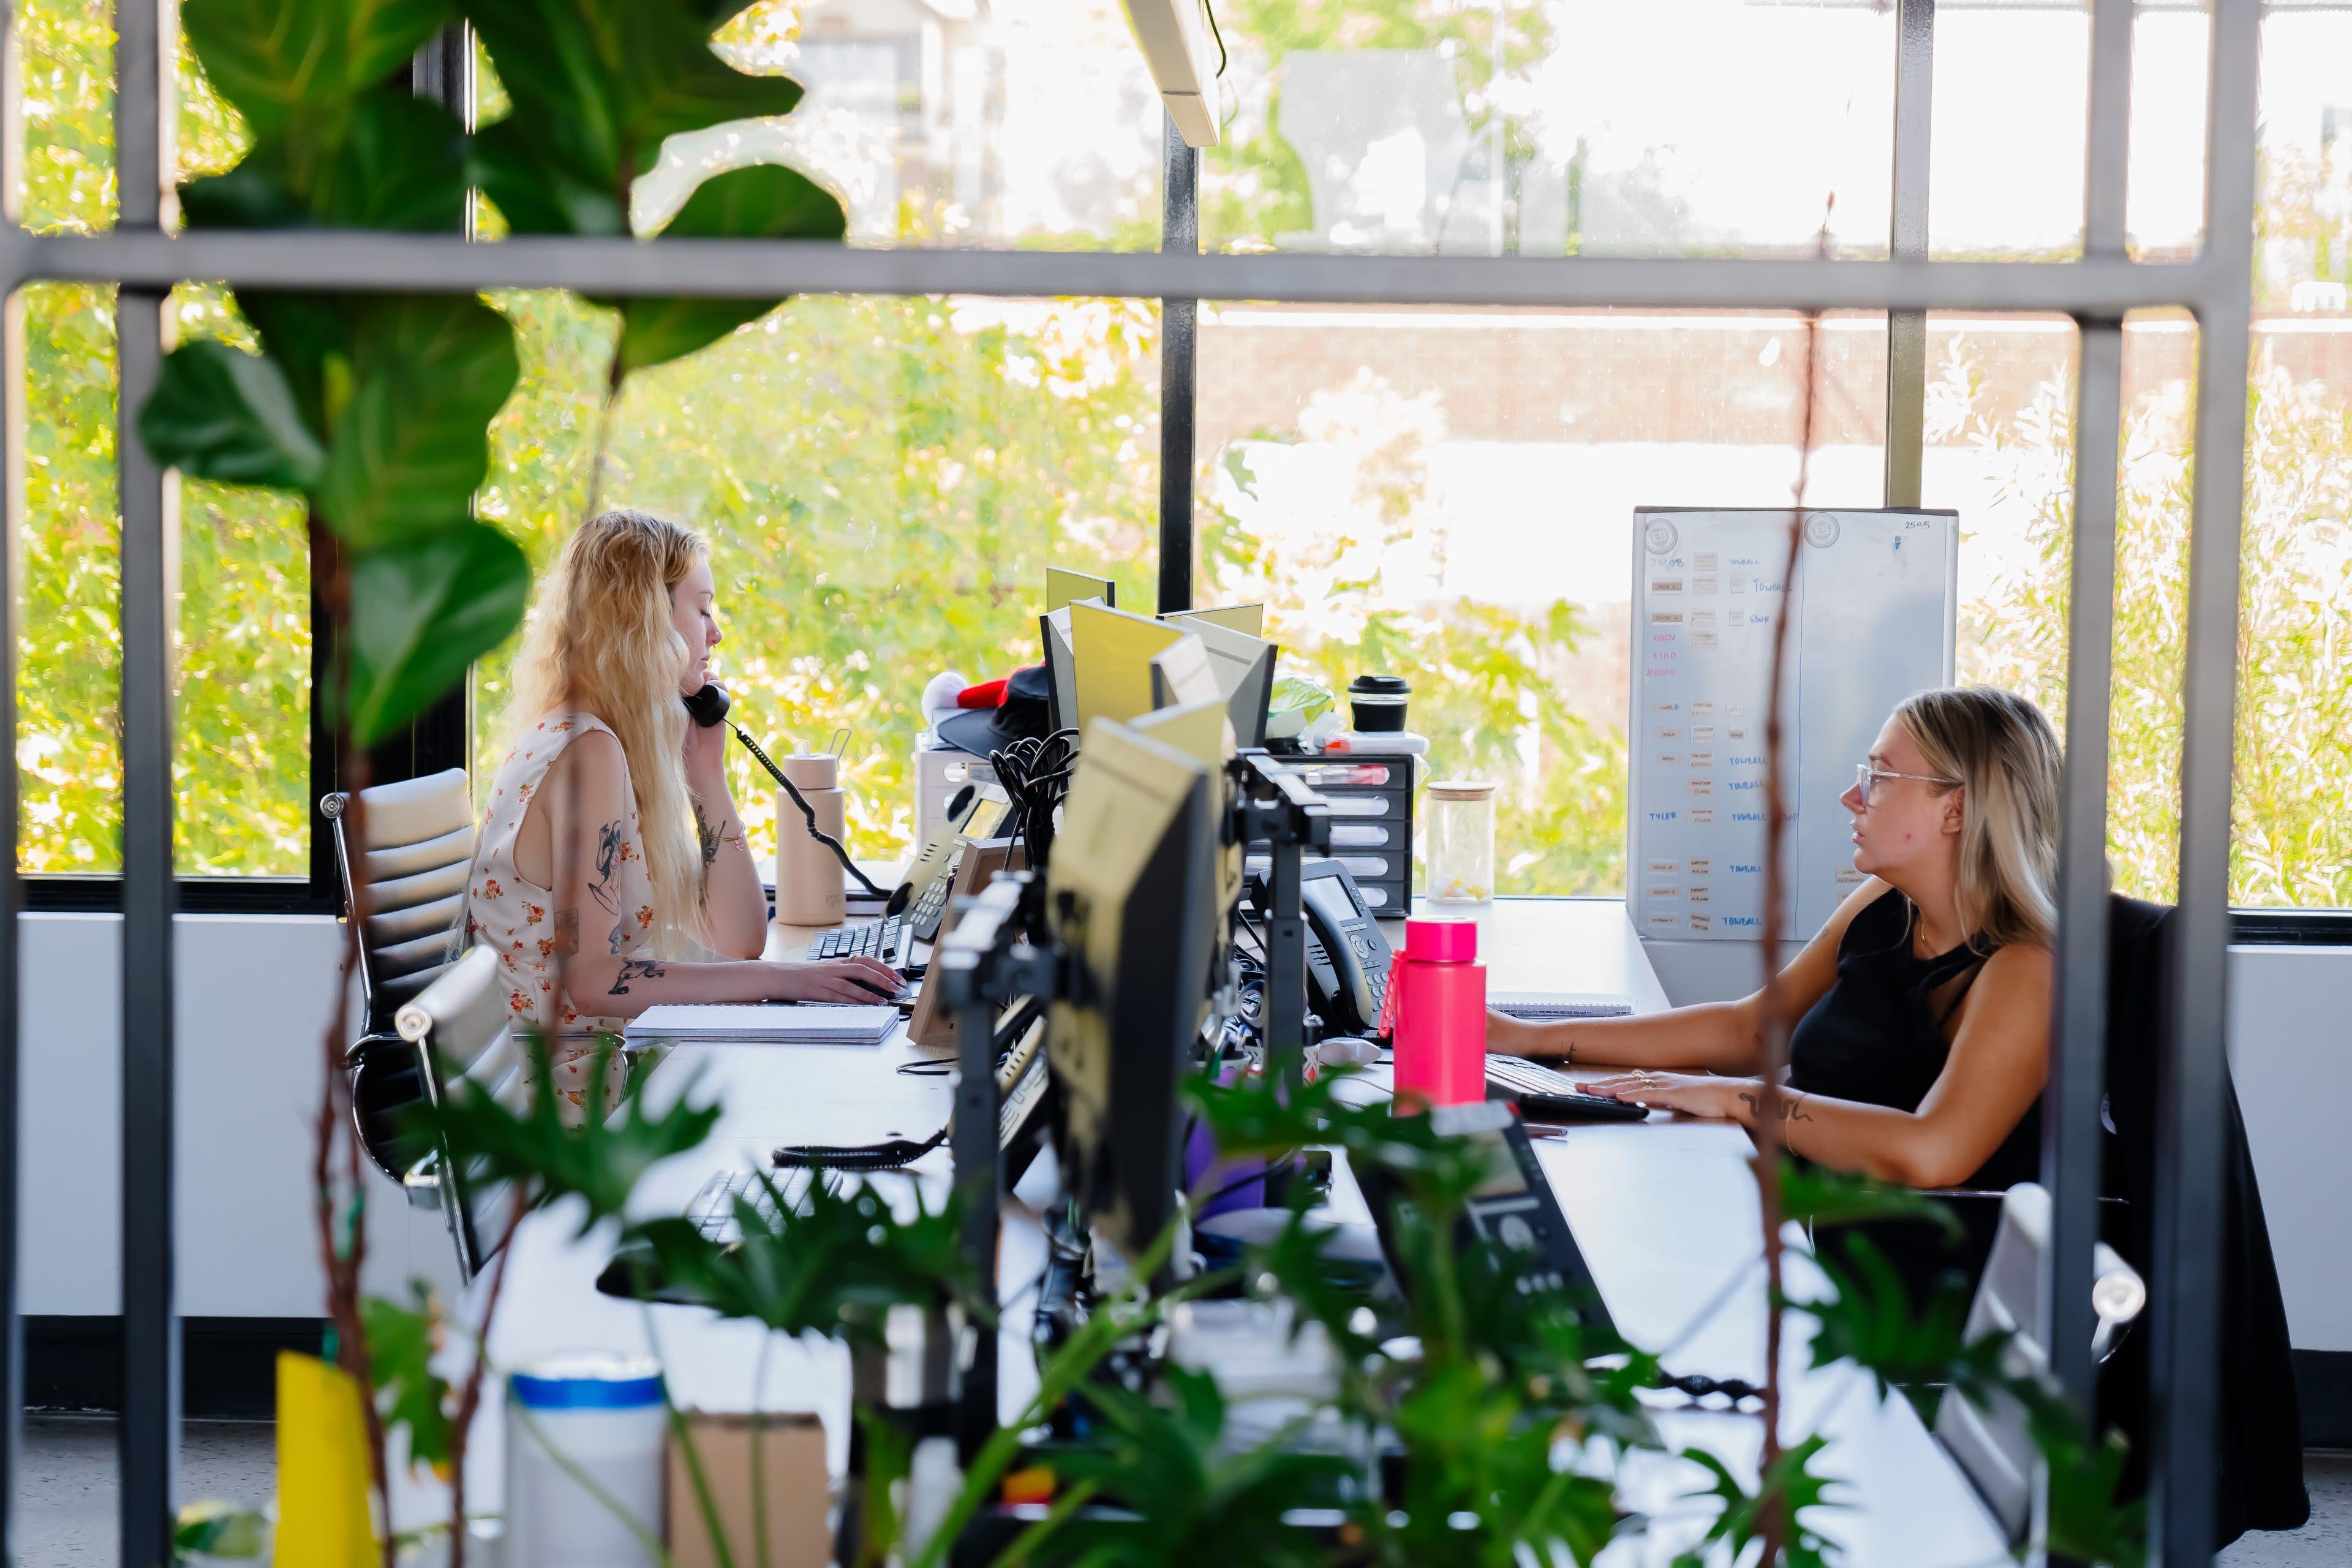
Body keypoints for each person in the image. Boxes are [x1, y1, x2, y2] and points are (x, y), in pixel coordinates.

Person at [1491, 686, 2060, 1206]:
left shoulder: (2027, 969)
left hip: (1892, 1269)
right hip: (1793, 1211)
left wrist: (1740, 1099)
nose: (1851, 797)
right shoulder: (1885, 904)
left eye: (1881, 778)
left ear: (1955, 809)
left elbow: (1932, 1152)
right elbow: (1752, 1031)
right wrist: (1530, 1038)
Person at [463, 508, 900, 1057]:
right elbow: (593, 980)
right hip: (569, 1087)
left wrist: (707, 772)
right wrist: (785, 979)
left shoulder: (601, 742)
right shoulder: (587, 752)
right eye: (703, 608)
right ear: (646, 620)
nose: (716, 632)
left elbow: (738, 938)